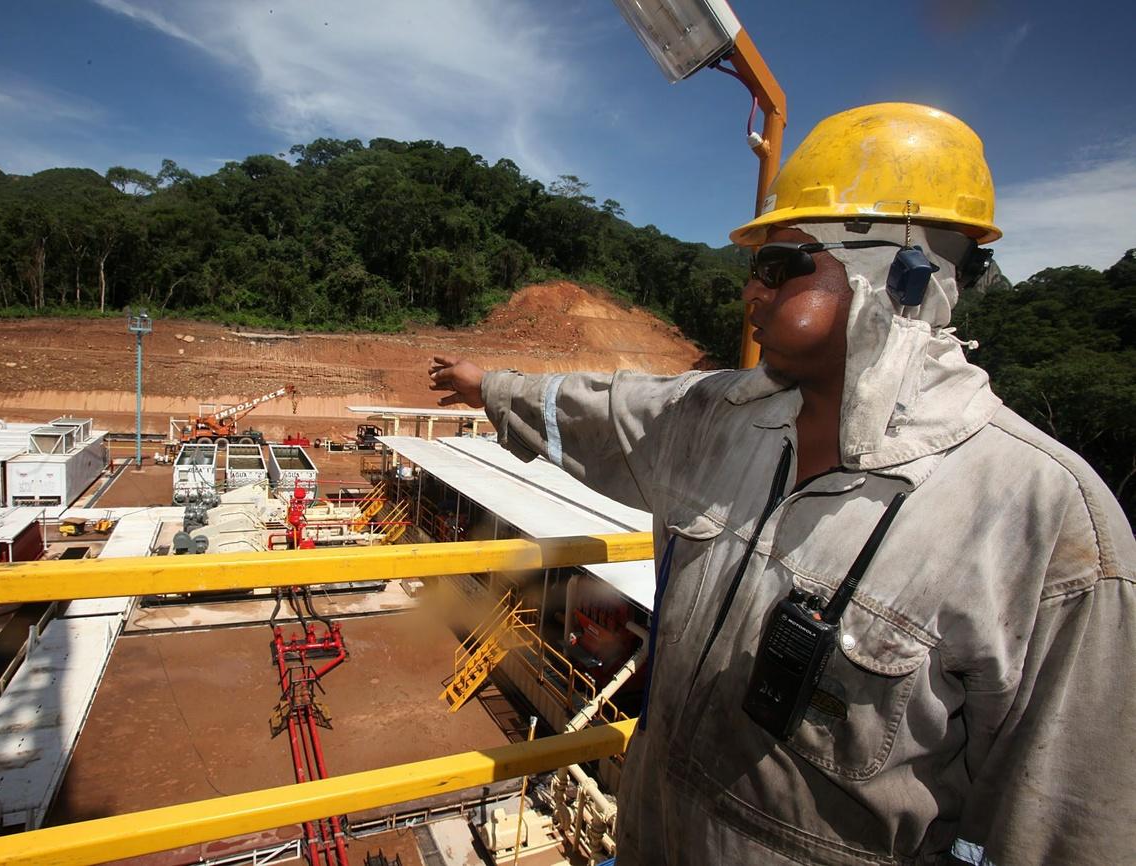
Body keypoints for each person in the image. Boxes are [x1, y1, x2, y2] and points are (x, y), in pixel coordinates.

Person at [428, 103, 1135, 865]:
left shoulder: (1047, 524)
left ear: (890, 273)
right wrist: (490, 386)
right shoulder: (718, 421)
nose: (751, 294)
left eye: (777, 267)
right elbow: (602, 407)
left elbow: (1067, 827)